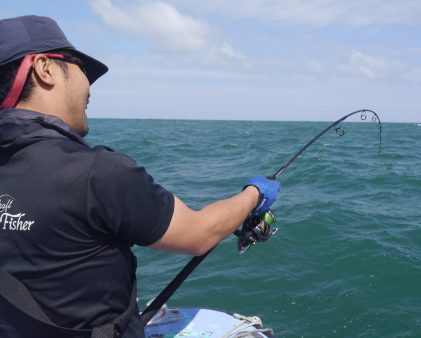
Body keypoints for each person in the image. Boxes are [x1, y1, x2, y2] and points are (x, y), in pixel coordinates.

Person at [0, 15, 281, 338]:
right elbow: (200, 234)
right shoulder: (97, 173)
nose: (88, 85)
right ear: (44, 68)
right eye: (78, 65)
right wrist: (254, 194)